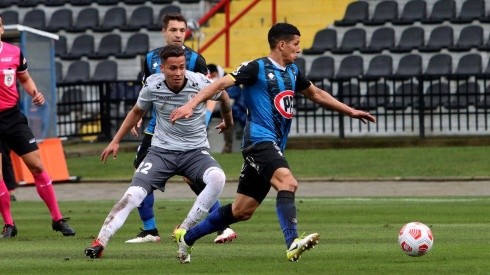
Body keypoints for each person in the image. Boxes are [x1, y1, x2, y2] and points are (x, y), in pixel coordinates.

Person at [170, 22, 376, 263]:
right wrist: (191, 104)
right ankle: (292, 243)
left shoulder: (292, 72)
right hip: (259, 142)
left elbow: (316, 94)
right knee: (288, 182)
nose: (298, 50)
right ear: (281, 44)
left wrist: (350, 111)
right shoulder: (256, 68)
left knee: (241, 211)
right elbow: (220, 84)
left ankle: (187, 238)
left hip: (273, 145)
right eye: (295, 44)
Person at [84, 44, 234, 259]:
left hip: (195, 152)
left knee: (218, 178)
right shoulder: (152, 85)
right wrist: (115, 140)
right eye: (173, 68)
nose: (178, 73)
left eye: (182, 67)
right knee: (133, 194)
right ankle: (100, 241)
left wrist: (228, 122)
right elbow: (137, 111)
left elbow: (225, 97)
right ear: (162, 68)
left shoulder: (199, 82)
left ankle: (184, 229)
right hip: (161, 152)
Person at [127, 13, 237, 244]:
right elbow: (147, 93)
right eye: (173, 30)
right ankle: (150, 230)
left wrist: (204, 120)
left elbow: (212, 93)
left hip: (188, 131)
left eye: (182, 30)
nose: (178, 34)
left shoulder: (196, 59)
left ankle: (222, 226)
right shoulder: (149, 59)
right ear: (164, 32)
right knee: (141, 174)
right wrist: (138, 117)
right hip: (157, 130)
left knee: (196, 179)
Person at [0, 15, 75, 238]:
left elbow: (24, 78)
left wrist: (35, 93)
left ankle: (57, 218)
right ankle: (9, 224)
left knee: (38, 167)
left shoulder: (14, 52)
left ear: (2, 28)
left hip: (12, 117)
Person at [207, 64, 246, 154]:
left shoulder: (229, 80)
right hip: (215, 108)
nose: (212, 78)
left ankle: (228, 144)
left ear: (217, 73)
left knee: (225, 110)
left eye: (213, 76)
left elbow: (230, 98)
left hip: (235, 109)